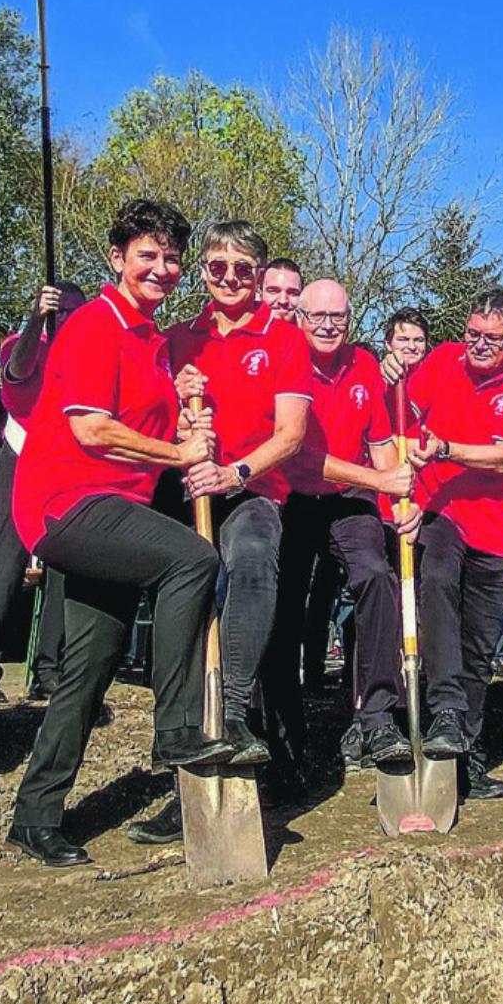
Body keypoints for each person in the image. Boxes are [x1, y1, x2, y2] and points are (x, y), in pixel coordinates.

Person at [4, 199, 233, 868]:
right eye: (147, 255)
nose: (160, 268)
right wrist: (183, 455)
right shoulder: (92, 325)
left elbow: (147, 423)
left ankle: (34, 816)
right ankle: (177, 731)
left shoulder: (151, 339)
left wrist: (184, 399)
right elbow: (92, 429)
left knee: (91, 663)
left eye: (170, 258)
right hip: (65, 503)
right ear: (117, 258)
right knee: (192, 559)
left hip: (112, 512)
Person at [382, 287, 503, 802]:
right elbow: (398, 418)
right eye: (472, 333)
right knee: (435, 580)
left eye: (491, 339)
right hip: (439, 511)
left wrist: (446, 448)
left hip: (497, 530)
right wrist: (389, 380)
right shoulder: (443, 360)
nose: (477, 344)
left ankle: (464, 756)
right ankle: (445, 711)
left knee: (478, 650)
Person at [165, 221, 313, 765]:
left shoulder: (285, 339)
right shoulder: (179, 338)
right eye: (218, 267)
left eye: (243, 269)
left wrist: (235, 474)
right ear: (203, 271)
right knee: (181, 583)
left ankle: (232, 712)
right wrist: (176, 400)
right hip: (188, 487)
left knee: (252, 558)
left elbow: (291, 434)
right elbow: (154, 422)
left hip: (252, 487)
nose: (229, 278)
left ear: (258, 274)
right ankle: (180, 724)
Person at [264, 279, 414, 781]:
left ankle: (376, 716)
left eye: (339, 318)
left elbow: (380, 446)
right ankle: (285, 747)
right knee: (283, 614)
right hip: (291, 496)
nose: (328, 326)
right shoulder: (283, 360)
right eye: (318, 316)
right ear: (301, 317)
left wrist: (400, 502)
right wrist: (378, 478)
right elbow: (301, 453)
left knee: (375, 576)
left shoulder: (365, 366)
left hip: (348, 500)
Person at [0, 282, 86, 707]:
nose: (68, 318)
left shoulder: (86, 355)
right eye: (61, 311)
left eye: (76, 312)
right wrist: (37, 321)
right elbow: (17, 370)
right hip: (22, 453)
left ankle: (47, 670)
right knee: (9, 553)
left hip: (66, 461)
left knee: (63, 558)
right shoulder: (22, 342)